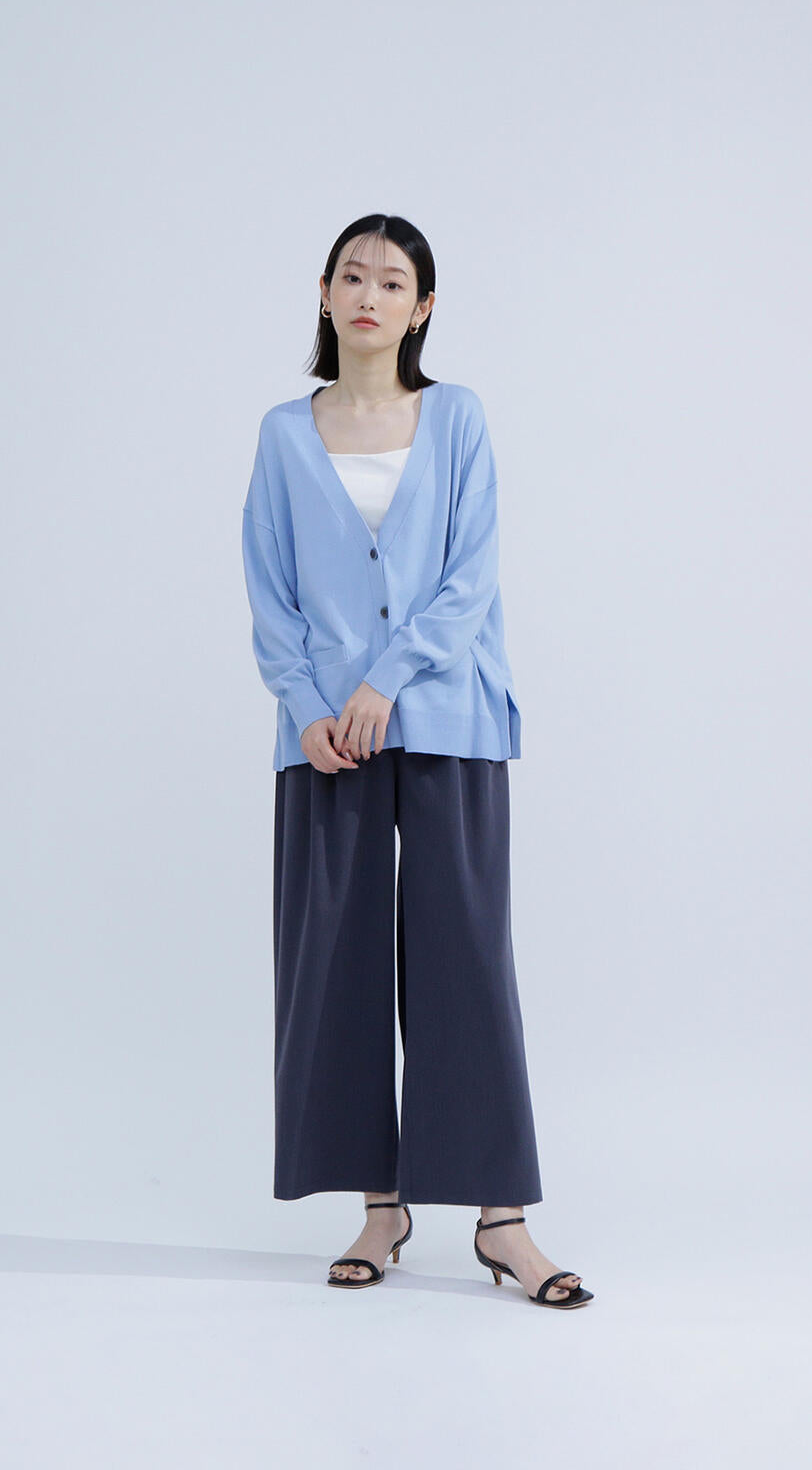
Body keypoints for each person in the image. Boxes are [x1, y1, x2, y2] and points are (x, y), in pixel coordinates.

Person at [240, 214, 593, 1309]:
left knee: (464, 961)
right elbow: (269, 587)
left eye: (392, 282)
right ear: (324, 291)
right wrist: (310, 707)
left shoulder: (458, 418)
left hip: (448, 718)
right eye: (352, 276)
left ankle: (502, 1221)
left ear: (422, 306)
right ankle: (380, 1208)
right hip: (326, 744)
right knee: (335, 967)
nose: (369, 295)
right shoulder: (284, 433)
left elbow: (468, 575)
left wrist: (383, 683)